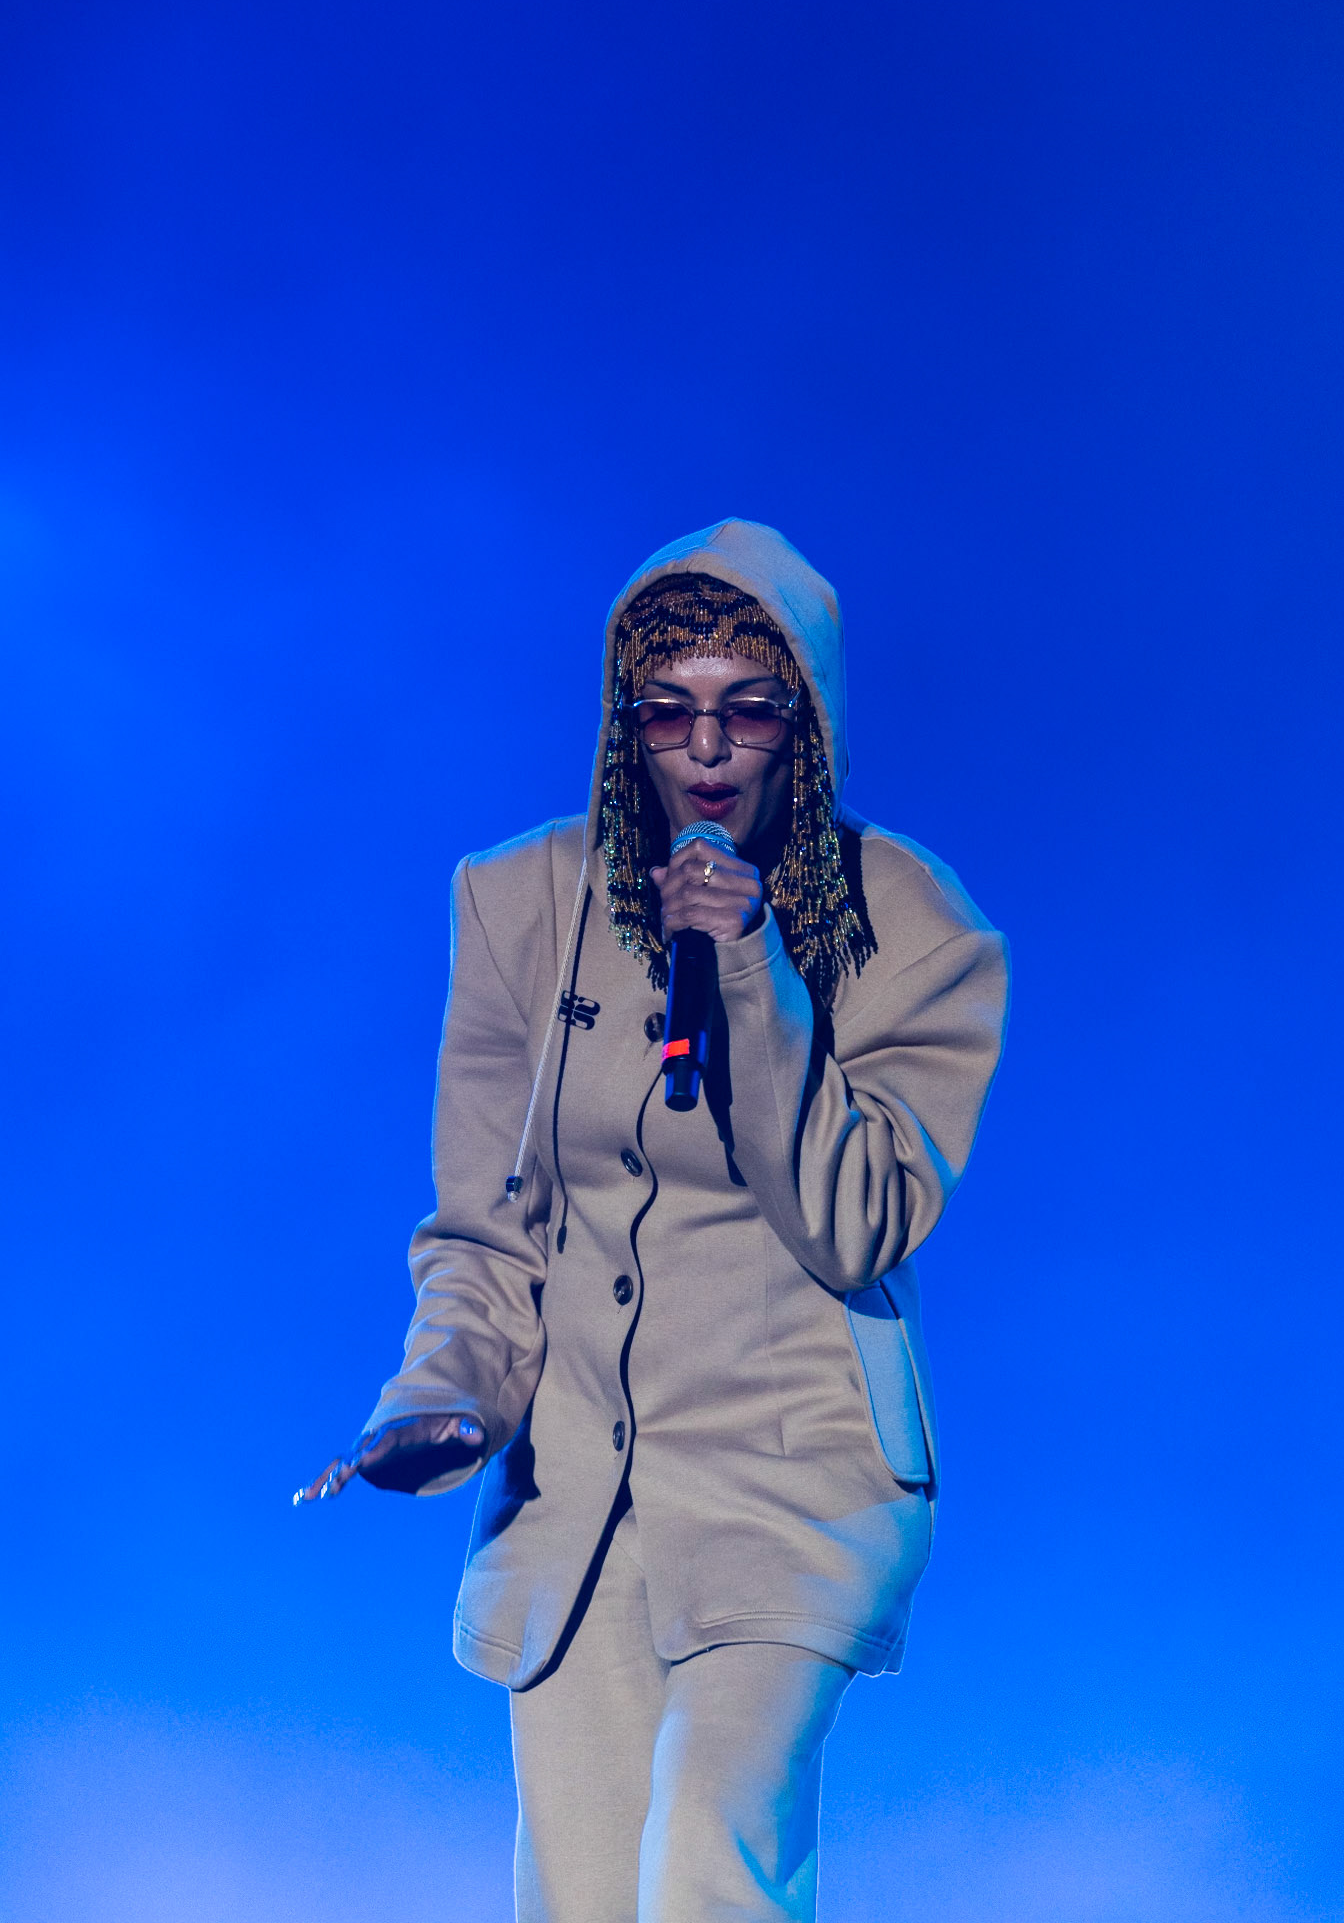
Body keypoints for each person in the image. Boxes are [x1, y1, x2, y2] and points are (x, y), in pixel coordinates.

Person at [298, 519, 1009, 1923]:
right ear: (624, 722)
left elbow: (858, 1224)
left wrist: (747, 969)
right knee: (580, 1897)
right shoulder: (518, 904)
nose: (708, 747)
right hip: (576, 1494)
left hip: (795, 1477)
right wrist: (444, 1395)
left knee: (703, 1863)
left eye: (749, 708)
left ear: (806, 724)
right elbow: (489, 1228)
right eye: (668, 709)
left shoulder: (916, 925)